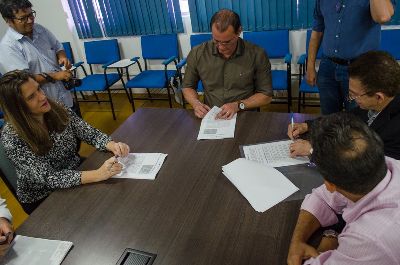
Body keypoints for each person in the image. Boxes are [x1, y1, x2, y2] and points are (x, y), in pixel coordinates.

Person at [0, 70, 130, 214]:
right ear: (18, 108)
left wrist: (112, 145)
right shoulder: (12, 137)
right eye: (31, 97)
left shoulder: (56, 107)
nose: (42, 96)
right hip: (45, 196)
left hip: (75, 170)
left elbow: (88, 132)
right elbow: (49, 177)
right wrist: (98, 174)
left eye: (38, 88)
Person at [287, 112, 400, 265]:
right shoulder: (383, 163)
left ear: (329, 184)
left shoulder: (370, 238)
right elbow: (321, 198)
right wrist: (297, 241)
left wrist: (327, 244)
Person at [288, 51, 400, 160]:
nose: (351, 99)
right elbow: (346, 118)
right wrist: (308, 126)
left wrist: (313, 150)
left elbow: (370, 164)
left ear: (379, 97)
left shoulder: (395, 130)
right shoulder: (377, 102)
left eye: (355, 95)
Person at [306, 0, 395, 115]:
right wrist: (310, 65)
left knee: (357, 119)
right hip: (327, 67)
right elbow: (317, 32)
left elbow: (383, 17)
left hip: (360, 71)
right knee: (329, 118)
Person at [182, 9, 273, 120]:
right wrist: (196, 103)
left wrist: (238, 105)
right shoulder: (198, 53)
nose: (220, 47)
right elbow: (187, 86)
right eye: (216, 40)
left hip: (244, 114)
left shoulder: (257, 54)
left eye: (227, 42)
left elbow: (266, 96)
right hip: (211, 116)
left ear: (239, 31)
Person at [0, 0, 76, 111]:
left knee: (76, 125)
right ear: (9, 21)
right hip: (44, 104)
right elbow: (23, 80)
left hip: (65, 96)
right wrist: (55, 76)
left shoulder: (40, 29)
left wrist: (62, 57)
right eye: (23, 18)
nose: (30, 20)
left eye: (31, 14)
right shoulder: (7, 47)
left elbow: (58, 47)